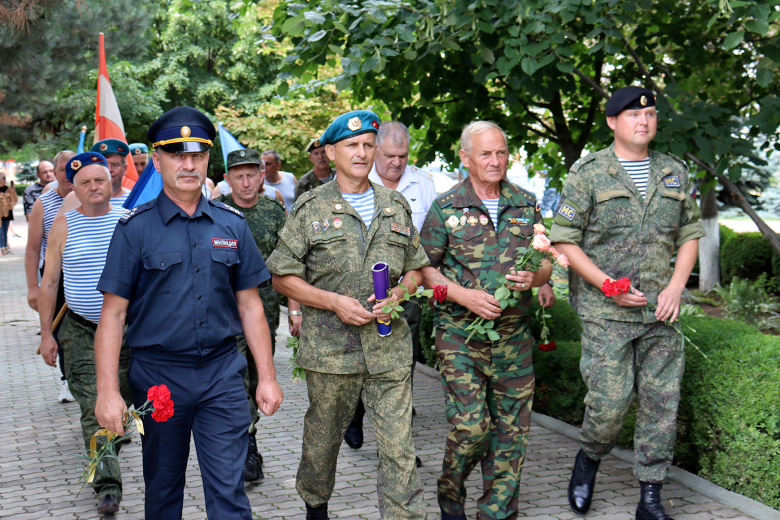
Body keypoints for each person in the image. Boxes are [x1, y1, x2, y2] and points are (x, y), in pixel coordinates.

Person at [94, 106, 283, 520]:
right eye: (177, 155)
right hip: (159, 378)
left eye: (197, 156)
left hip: (222, 374)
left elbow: (250, 305)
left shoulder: (232, 224)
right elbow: (112, 316)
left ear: (207, 160)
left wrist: (267, 377)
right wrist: (108, 391)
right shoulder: (134, 229)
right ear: (157, 159)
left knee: (230, 494)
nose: (188, 165)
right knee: (163, 494)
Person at [549, 86, 705, 520]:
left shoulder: (674, 172)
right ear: (612, 122)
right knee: (610, 404)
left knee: (661, 404)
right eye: (634, 115)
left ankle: (650, 497)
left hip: (660, 311)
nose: (644, 121)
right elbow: (565, 240)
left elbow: (689, 234)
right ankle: (589, 458)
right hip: (607, 314)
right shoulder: (588, 173)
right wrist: (607, 285)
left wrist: (675, 287)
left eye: (651, 114)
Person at [267, 110, 429, 520]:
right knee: (322, 445)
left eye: (368, 145)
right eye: (351, 145)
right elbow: (281, 276)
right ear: (330, 152)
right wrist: (332, 301)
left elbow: (416, 269)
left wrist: (400, 292)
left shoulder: (395, 205)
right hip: (331, 354)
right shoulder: (310, 207)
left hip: (389, 350)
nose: (361, 153)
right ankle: (315, 506)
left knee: (399, 449)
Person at [418, 120, 552, 520]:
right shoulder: (446, 207)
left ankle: (496, 512)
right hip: (459, 336)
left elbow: (546, 261)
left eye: (501, 152)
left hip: (513, 337)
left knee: (512, 432)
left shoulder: (526, 204)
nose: (495, 161)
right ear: (465, 158)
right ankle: (450, 497)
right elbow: (423, 269)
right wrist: (463, 296)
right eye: (485, 154)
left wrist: (535, 277)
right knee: (472, 429)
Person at [338, 121, 438, 462]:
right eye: (390, 155)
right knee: (359, 359)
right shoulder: (357, 178)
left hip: (406, 289)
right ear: (376, 150)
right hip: (359, 291)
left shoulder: (423, 184)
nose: (396, 162)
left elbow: (430, 243)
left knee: (402, 363)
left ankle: (398, 445)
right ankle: (355, 414)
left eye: (403, 156)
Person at [37, 152, 130, 515]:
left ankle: (111, 444)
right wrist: (47, 334)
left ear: (111, 182)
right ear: (73, 188)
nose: (93, 187)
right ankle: (107, 486)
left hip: (128, 330)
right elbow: (50, 283)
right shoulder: (63, 225)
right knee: (94, 406)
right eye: (85, 182)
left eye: (99, 180)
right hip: (79, 330)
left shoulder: (129, 220)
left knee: (124, 400)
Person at [214, 148, 302, 482]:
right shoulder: (217, 213)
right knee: (236, 378)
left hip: (265, 310)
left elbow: (290, 264)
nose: (246, 182)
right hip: (226, 310)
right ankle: (246, 446)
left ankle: (248, 440)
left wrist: (295, 309)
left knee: (257, 375)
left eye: (252, 174)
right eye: (239, 176)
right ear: (228, 179)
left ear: (262, 175)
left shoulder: (273, 211)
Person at [25, 149, 77, 403]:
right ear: (54, 173)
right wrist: (33, 287)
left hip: (84, 272)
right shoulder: (43, 203)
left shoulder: (91, 197)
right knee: (60, 329)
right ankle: (67, 379)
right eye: (62, 169)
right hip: (55, 274)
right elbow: (33, 249)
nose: (68, 174)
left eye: (73, 167)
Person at [90, 139, 131, 207]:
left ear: (124, 169)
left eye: (115, 165)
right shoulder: (85, 199)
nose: (109, 169)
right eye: (104, 165)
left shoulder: (133, 199)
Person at [0, 172, 19, 255]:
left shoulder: (8, 189)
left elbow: (14, 199)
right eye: (3, 178)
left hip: (7, 213)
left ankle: (5, 247)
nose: (5, 180)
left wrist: (13, 190)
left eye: (5, 178)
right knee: (0, 231)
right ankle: (1, 248)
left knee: (5, 231)